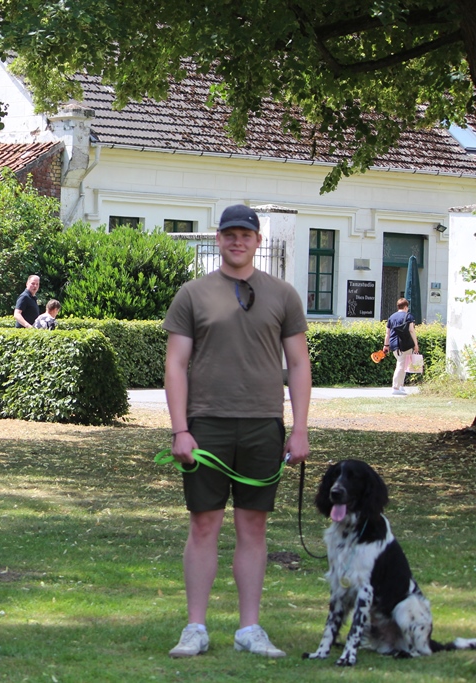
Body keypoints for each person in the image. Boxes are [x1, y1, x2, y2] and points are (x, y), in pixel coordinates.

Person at [162, 204, 311, 659]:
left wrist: (300, 428)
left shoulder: (283, 294)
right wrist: (180, 430)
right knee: (204, 525)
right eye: (230, 234)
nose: (237, 241)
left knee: (253, 526)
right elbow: (175, 363)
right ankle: (195, 628)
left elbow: (300, 364)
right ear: (219, 238)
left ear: (258, 240)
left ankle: (250, 628)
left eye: (246, 234)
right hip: (206, 426)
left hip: (263, 425)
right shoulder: (192, 294)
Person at [384, 298, 418, 396]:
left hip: (394, 344)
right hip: (405, 344)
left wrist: (386, 345)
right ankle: (395, 387)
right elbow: (411, 330)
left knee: (403, 365)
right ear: (406, 307)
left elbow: (387, 333)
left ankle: (401, 386)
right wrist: (415, 344)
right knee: (401, 365)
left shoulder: (392, 317)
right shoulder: (408, 316)